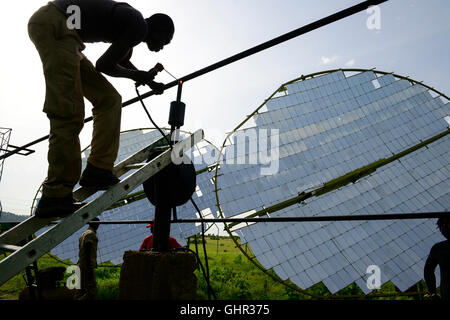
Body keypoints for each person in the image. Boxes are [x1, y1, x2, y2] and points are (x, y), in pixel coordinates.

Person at [28, 0, 174, 218]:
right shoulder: (138, 27)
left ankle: (98, 169)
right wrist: (138, 75)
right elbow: (104, 65)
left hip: (68, 35)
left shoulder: (133, 27)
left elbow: (122, 63)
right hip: (56, 24)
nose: (162, 47)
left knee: (110, 99)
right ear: (158, 28)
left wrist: (148, 81)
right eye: (165, 41)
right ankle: (55, 196)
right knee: (68, 113)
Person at [424, 217, 450, 300]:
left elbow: (428, 271)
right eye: (441, 227)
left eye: (445, 226)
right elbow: (428, 271)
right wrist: (433, 293)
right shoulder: (438, 249)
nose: (442, 230)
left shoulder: (439, 248)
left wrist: (433, 293)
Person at [74, 217, 100, 300]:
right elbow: (87, 249)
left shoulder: (84, 233)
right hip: (86, 266)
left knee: (80, 292)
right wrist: (89, 268)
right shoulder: (90, 234)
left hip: (81, 264)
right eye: (97, 223)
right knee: (92, 291)